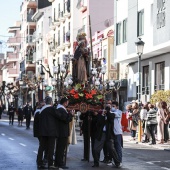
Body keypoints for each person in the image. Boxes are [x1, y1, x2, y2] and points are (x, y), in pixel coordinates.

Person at [37, 96, 60, 169]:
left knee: (42, 147)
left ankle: (39, 162)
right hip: (51, 132)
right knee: (51, 148)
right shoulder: (52, 109)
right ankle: (50, 164)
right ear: (51, 102)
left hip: (43, 132)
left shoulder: (41, 110)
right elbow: (59, 116)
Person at [55, 97, 74, 169]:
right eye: (67, 102)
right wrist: (71, 115)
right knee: (61, 148)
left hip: (62, 131)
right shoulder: (61, 110)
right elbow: (66, 119)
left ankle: (58, 162)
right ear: (65, 103)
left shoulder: (61, 109)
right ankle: (60, 163)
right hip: (62, 132)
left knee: (61, 148)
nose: (68, 104)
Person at [111, 101, 123, 166]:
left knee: (118, 147)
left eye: (113, 106)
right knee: (112, 148)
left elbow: (114, 115)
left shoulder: (119, 112)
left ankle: (119, 161)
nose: (112, 108)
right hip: (111, 133)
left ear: (117, 107)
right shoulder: (109, 112)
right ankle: (114, 160)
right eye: (111, 106)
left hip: (117, 132)